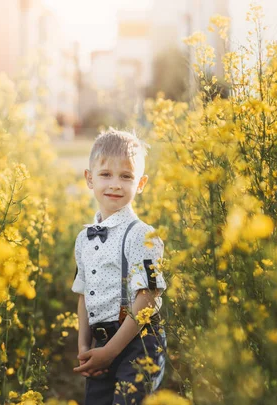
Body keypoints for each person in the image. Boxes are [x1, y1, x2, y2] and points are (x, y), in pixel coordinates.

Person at [72, 128, 167, 404]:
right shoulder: (83, 238)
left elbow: (148, 298)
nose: (115, 184)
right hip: (102, 344)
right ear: (89, 179)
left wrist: (111, 351)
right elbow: (83, 296)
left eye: (126, 176)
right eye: (105, 175)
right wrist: (85, 348)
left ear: (141, 183)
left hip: (139, 342)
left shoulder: (141, 234)